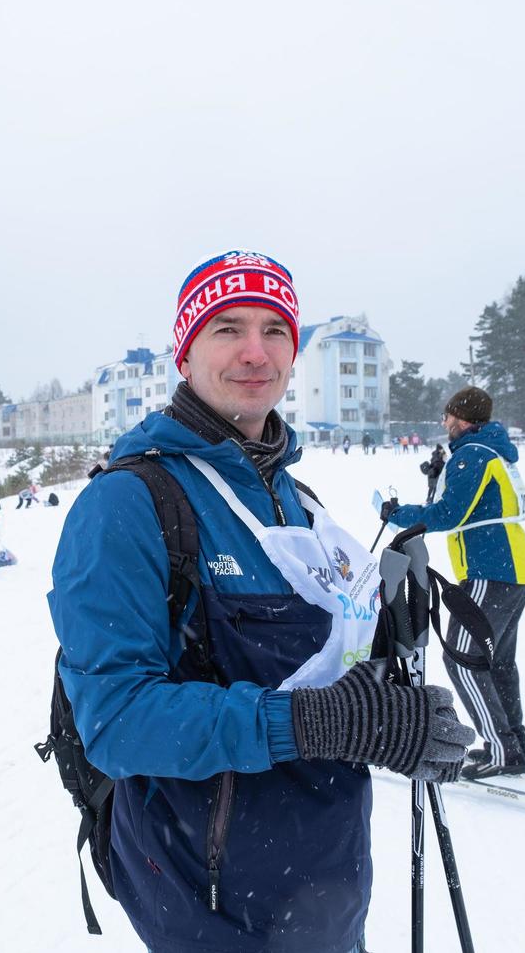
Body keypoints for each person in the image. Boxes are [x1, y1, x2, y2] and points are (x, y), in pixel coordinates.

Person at [50, 250, 471, 953]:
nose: (255, 352)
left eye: (276, 330)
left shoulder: (298, 500)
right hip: (211, 897)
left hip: (326, 878)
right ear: (185, 354)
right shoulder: (126, 503)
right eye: (227, 328)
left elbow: (327, 677)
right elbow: (117, 723)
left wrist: (386, 671)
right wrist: (317, 722)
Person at [383, 385, 525, 779]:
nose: (445, 423)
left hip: (490, 569)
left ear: (463, 419)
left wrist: (398, 514)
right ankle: (512, 745)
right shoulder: (494, 451)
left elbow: (450, 513)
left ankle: (502, 749)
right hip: (513, 568)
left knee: (463, 660)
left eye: (449, 416)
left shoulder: (473, 453)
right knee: (496, 661)